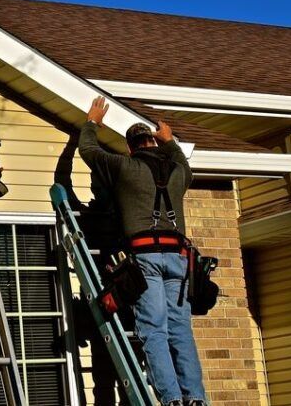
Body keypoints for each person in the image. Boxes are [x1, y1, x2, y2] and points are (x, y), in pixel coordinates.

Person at [79, 96, 207, 406]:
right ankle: (196, 399)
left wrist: (92, 122)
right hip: (178, 259)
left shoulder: (125, 166)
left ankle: (172, 399)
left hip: (146, 257)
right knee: (180, 330)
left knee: (154, 330)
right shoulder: (177, 172)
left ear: (130, 147)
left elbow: (89, 150)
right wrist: (170, 141)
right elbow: (183, 162)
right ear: (154, 143)